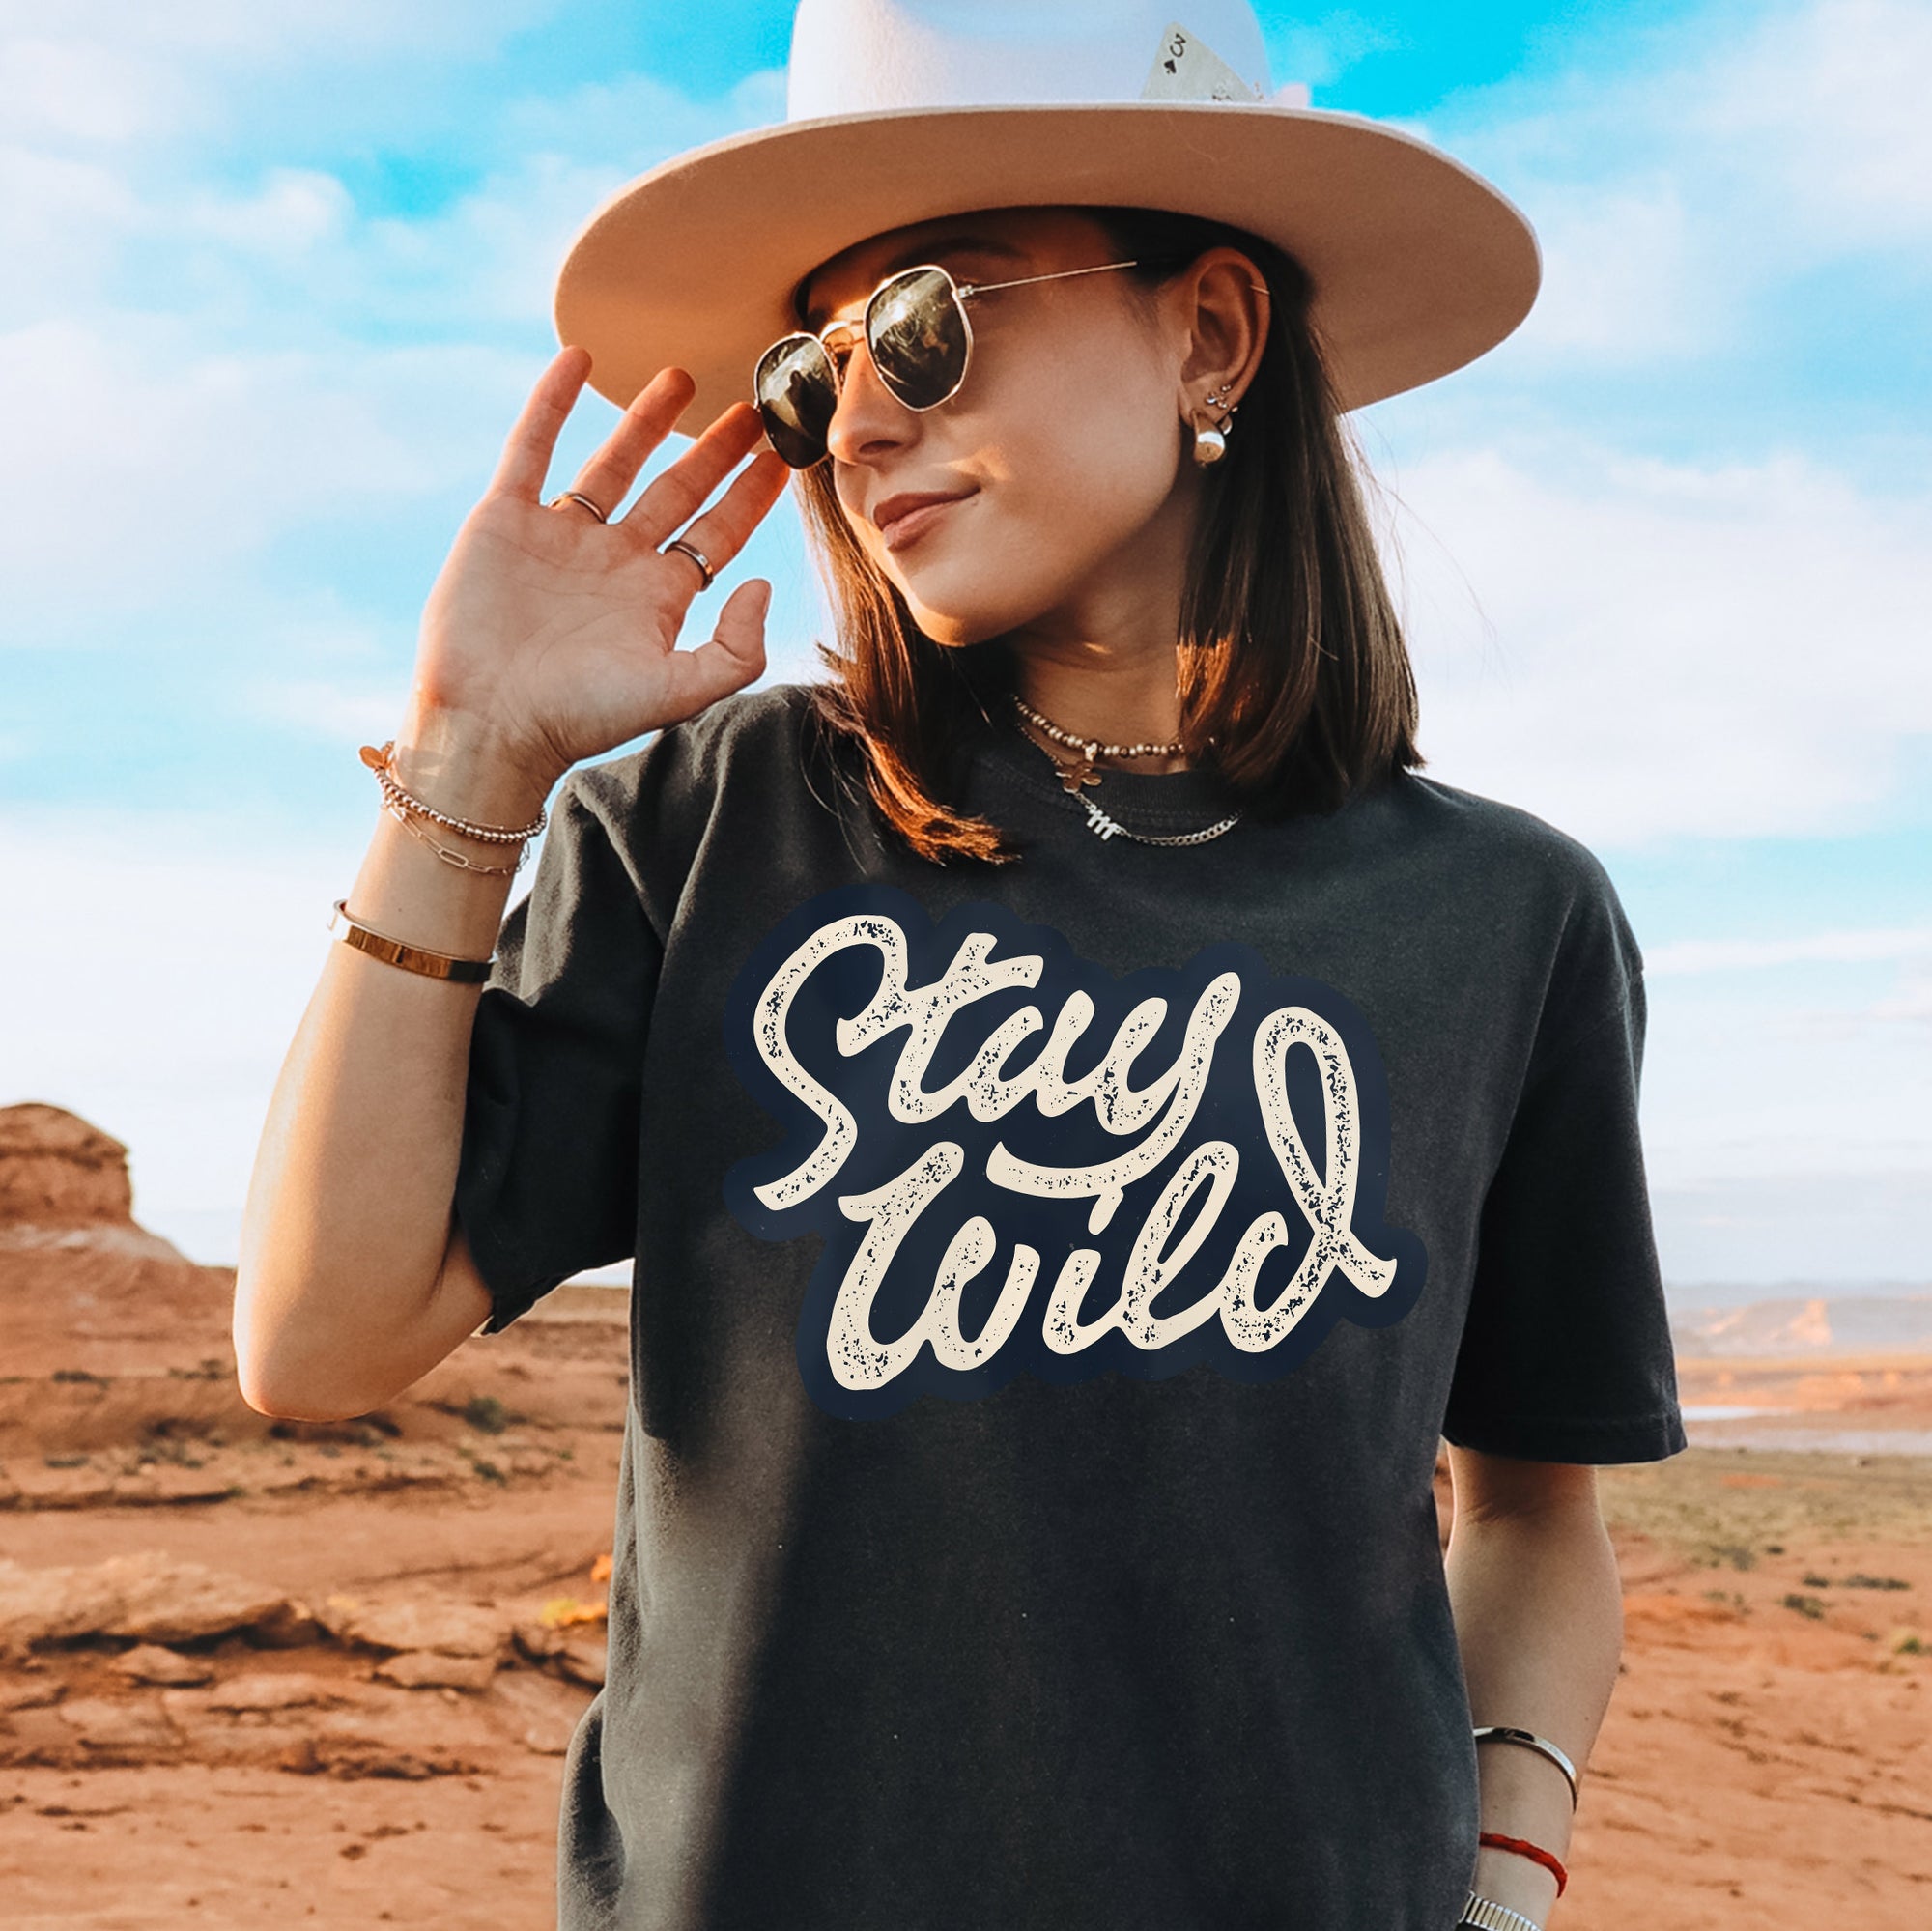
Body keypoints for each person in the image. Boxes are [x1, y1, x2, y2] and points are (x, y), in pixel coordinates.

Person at [234, 4, 1686, 1928]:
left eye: (926, 318)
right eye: (807, 371)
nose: (853, 423)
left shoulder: (1507, 918)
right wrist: (469, 760)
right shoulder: (708, 828)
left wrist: (1501, 1876)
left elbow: (1530, 1510)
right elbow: (318, 1337)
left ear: (1212, 332)